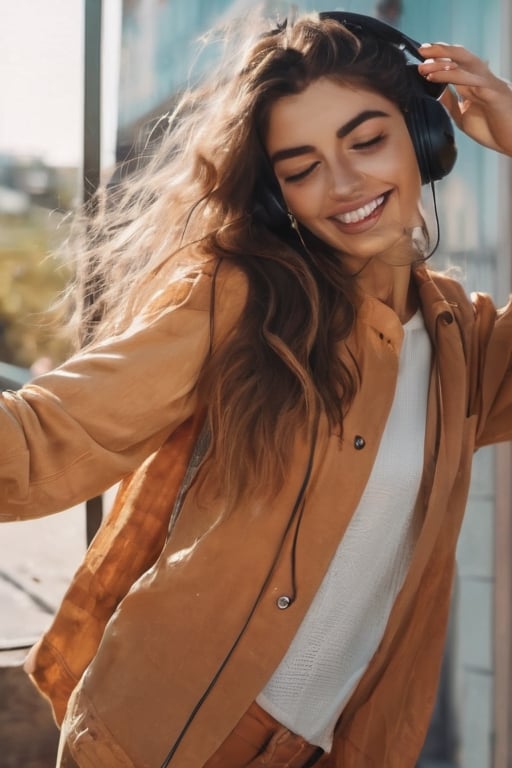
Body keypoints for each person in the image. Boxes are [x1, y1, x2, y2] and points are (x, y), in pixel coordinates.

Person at [2, 9, 512, 768]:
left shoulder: (466, 345)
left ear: (426, 138)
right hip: (159, 741)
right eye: (300, 168)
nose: (342, 185)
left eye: (367, 140)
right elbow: (46, 439)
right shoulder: (240, 295)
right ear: (278, 196)